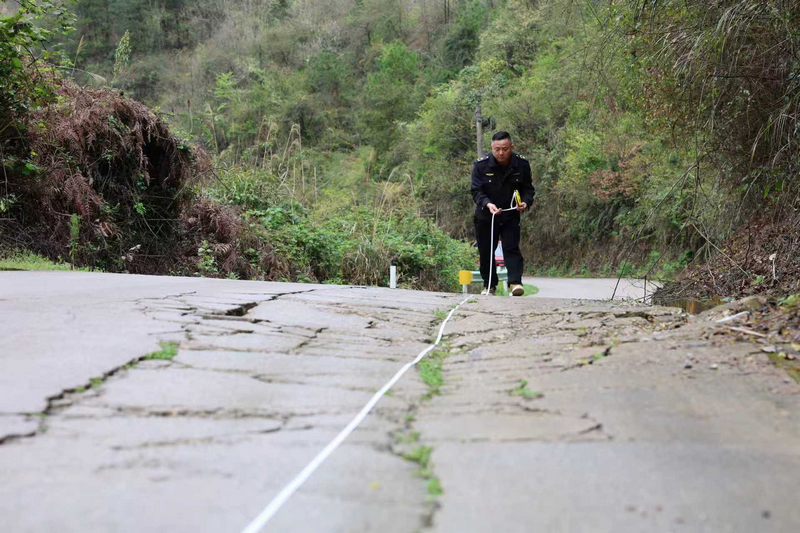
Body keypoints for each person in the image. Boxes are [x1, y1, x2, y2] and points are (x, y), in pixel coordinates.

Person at [470, 131, 535, 296]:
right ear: (491, 147)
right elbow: (476, 191)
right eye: (497, 149)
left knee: (511, 247)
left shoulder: (521, 164)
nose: (501, 153)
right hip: (486, 215)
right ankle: (489, 285)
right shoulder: (481, 165)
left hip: (510, 214)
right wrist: (488, 204)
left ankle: (515, 283)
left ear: (511, 147)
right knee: (486, 250)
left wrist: (526, 202)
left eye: (505, 149)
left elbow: (528, 189)